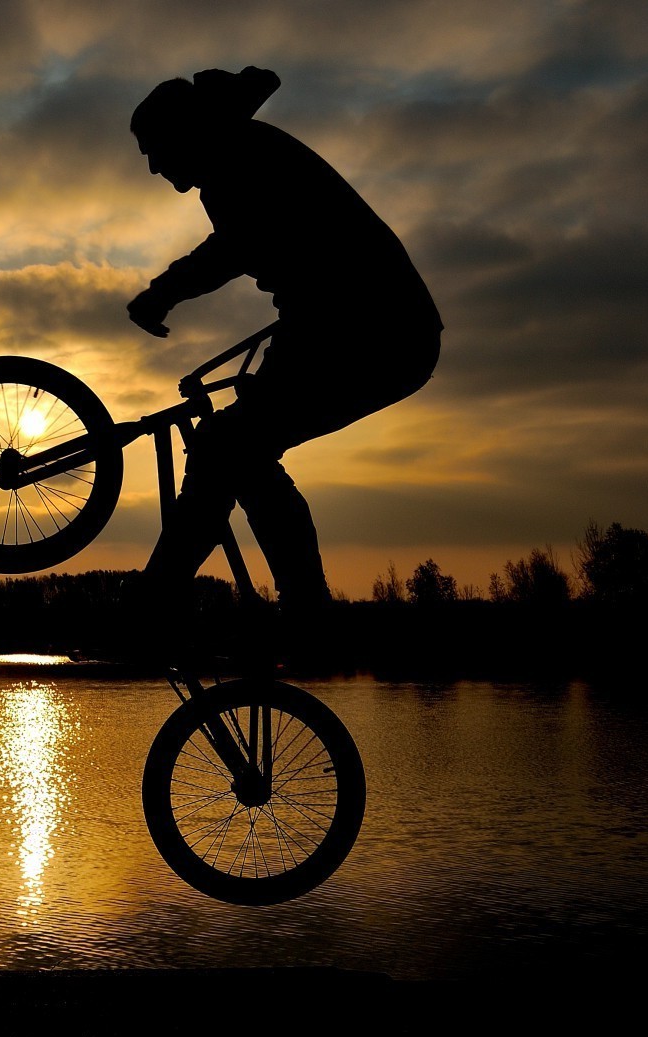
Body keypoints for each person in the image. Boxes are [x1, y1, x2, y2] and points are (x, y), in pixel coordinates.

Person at [126, 66, 442, 636]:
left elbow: (233, 249)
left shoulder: (239, 163)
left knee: (230, 447)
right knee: (229, 451)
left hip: (370, 332)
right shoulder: (240, 155)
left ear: (184, 133)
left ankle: (293, 607)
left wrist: (163, 293)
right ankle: (167, 598)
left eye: (154, 150)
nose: (153, 167)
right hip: (346, 327)